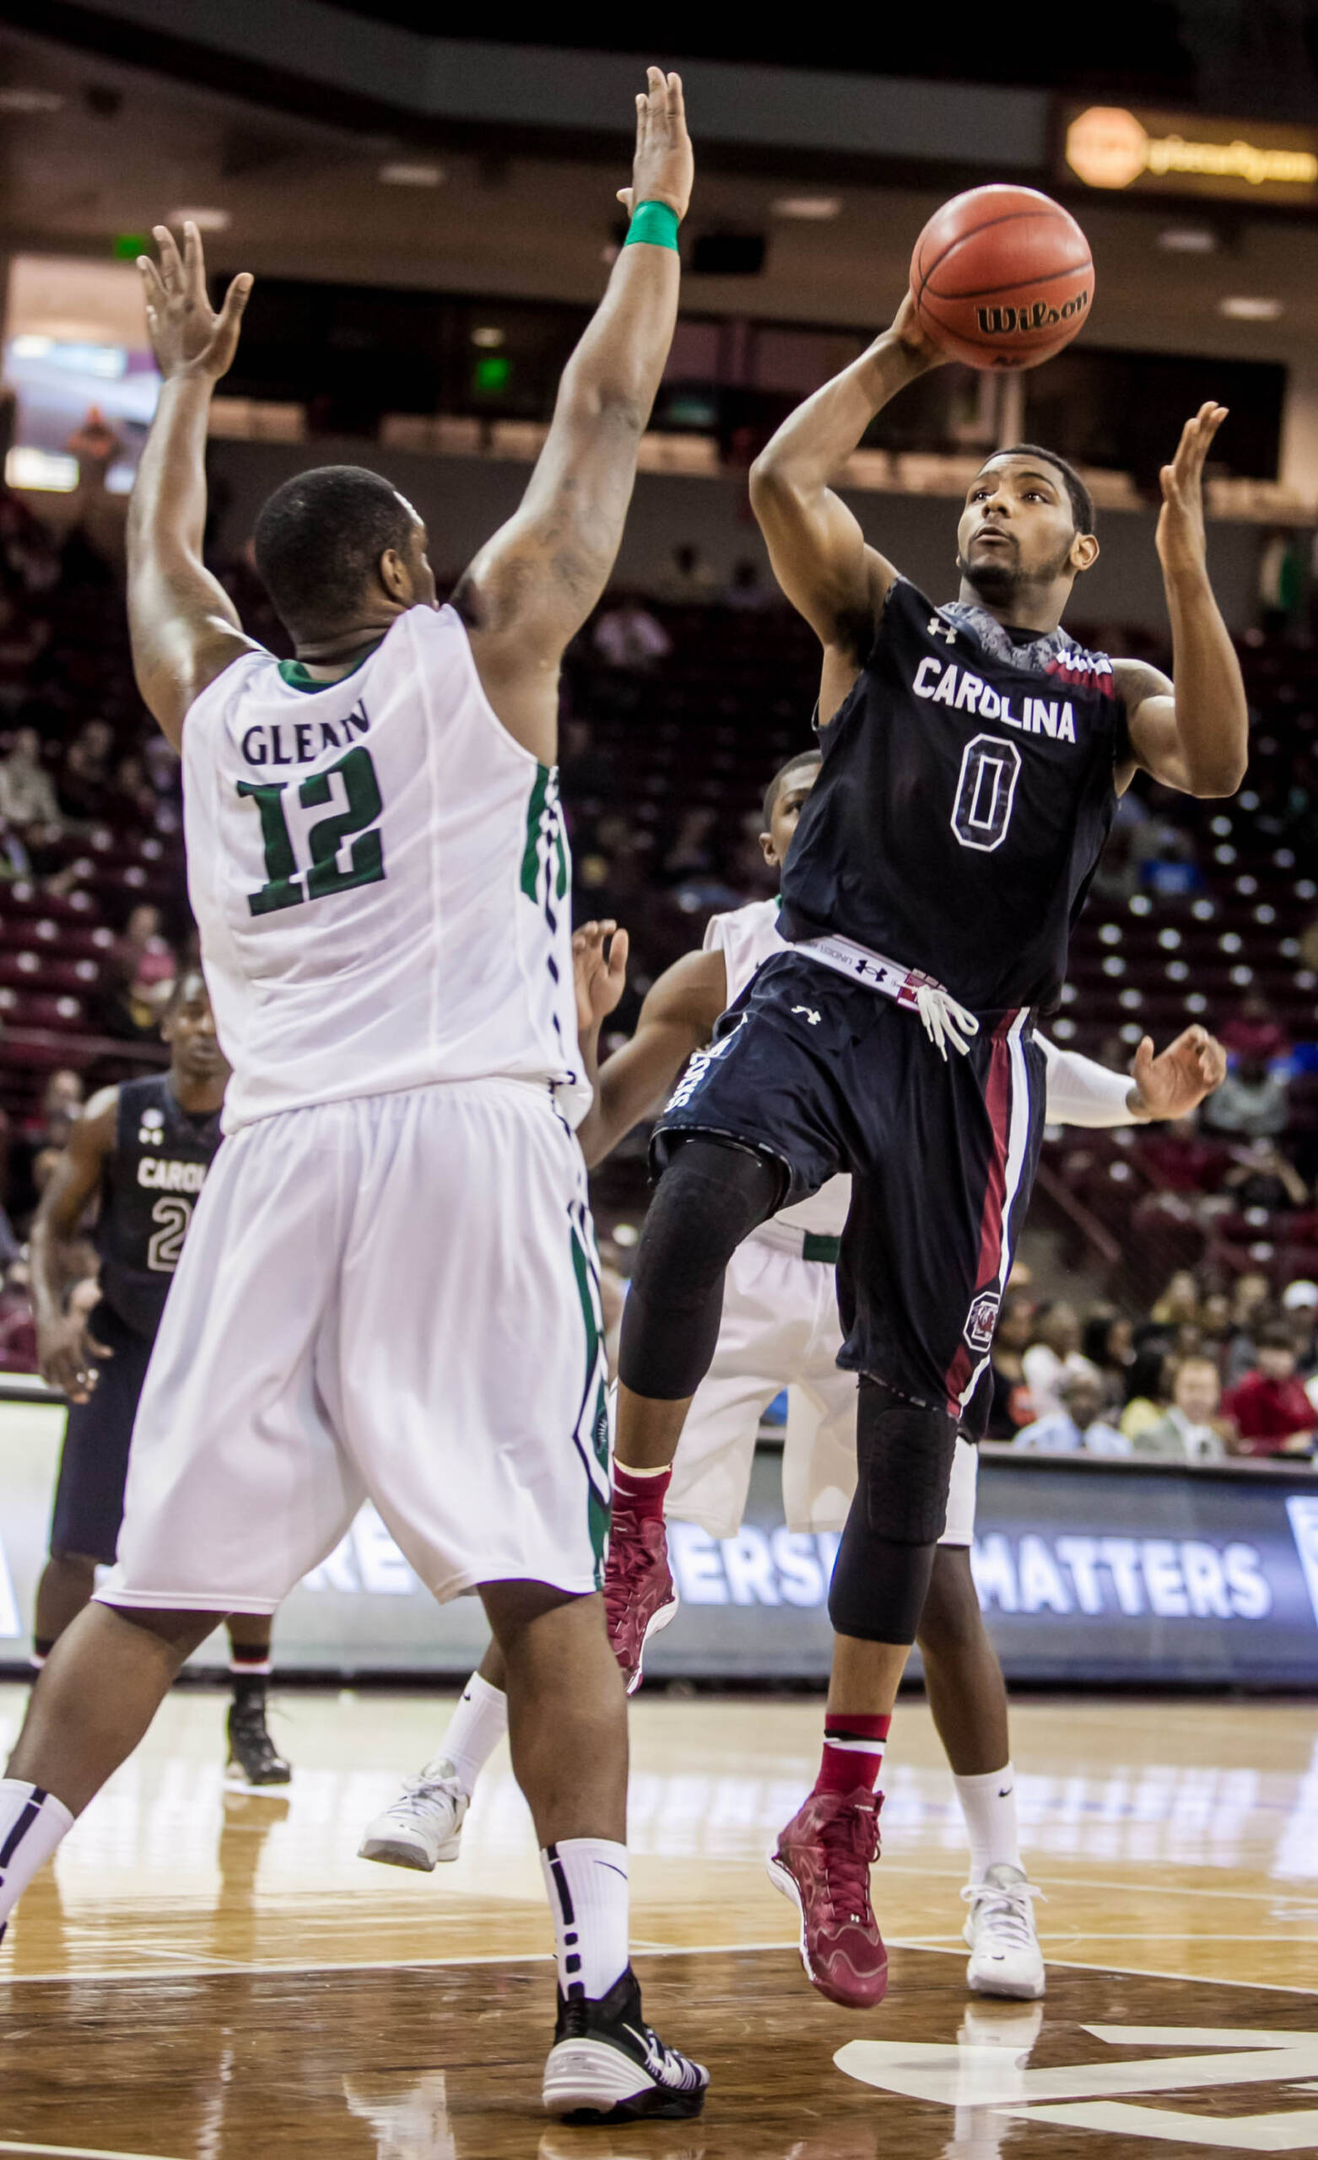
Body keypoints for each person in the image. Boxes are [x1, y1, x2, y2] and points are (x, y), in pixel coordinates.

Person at [0, 74, 707, 2127]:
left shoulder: (208, 707)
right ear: (404, 562)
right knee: (542, 1584)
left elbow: (157, 577)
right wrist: (648, 222)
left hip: (278, 1154)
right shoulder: (477, 655)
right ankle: (592, 2012)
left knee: (147, 1587)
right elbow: (593, 425)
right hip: (470, 1138)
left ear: (262, 600)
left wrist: (177, 397)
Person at [600, 268, 1247, 2013]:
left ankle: (840, 1811)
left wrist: (1187, 553)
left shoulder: (1106, 691)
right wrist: (904, 342)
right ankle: (637, 1525)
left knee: (909, 1468)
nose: (992, 500)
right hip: (823, 989)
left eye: (1027, 491)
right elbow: (775, 491)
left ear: (1073, 550)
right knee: (695, 1186)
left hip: (964, 1062)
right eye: (979, 484)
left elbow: (1218, 756)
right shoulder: (890, 626)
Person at [359, 750, 1227, 2008]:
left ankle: (998, 1881)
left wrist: (1139, 1104)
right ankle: (447, 1776)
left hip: (886, 1272)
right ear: (773, 843)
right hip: (742, 1265)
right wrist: (567, 1096)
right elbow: (616, 1104)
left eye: (840, 798)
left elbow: (1023, 1062)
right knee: (592, 1541)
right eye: (793, 806)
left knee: (936, 1582)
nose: (821, 817)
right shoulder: (730, 954)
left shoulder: (939, 938)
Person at [28, 970, 289, 1788]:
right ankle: (43, 1712)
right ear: (167, 1027)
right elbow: (51, 1227)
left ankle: (248, 1713)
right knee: (75, 1547)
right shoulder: (117, 1115)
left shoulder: (265, 1122)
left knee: (247, 1547)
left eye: (219, 1013)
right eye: (189, 1012)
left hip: (223, 1352)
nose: (206, 1028)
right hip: (126, 1341)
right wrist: (52, 1314)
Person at [1223, 1322, 1316, 1458]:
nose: (1277, 1360)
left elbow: (1311, 1426)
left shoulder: (1297, 1386)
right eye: (1272, 1351)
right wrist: (1284, 1444)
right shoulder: (1249, 1389)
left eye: (1283, 1352)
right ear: (1260, 1353)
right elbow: (1246, 1444)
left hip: (1302, 1463)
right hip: (1264, 1468)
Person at [1133, 1355, 1231, 1462]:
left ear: (1217, 1394)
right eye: (1190, 1388)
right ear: (1175, 1390)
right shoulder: (1149, 1439)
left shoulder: (1216, 1442)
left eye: (1204, 1389)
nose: (1197, 1397)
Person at [1014, 1370, 1131, 1456]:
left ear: (1102, 1402)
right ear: (1067, 1398)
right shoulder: (1039, 1436)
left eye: (1093, 1396)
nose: (1085, 1403)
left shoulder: (1115, 1444)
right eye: (1079, 1394)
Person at [1021, 1302, 1092, 1421]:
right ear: (1046, 1328)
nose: (1068, 1336)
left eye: (1071, 1332)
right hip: (1042, 1423)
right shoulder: (1036, 1358)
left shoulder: (1081, 1365)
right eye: (1063, 1331)